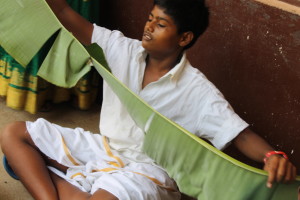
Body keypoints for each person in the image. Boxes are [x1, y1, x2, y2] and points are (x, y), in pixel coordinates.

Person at [0, 0, 297, 199]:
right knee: (13, 135)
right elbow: (64, 14)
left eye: (161, 24)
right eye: (149, 18)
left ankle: (58, 177)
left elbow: (241, 136)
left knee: (24, 165)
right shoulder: (121, 49)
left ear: (184, 38)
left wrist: (273, 157)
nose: (148, 27)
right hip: (104, 148)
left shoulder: (198, 90)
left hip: (148, 172)